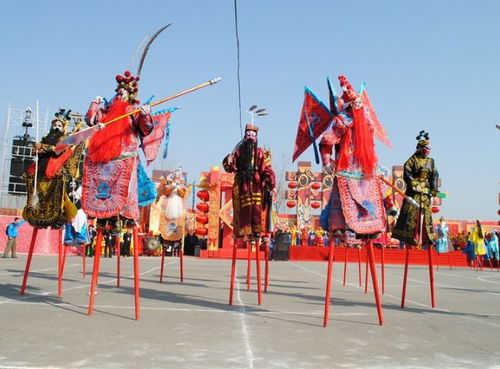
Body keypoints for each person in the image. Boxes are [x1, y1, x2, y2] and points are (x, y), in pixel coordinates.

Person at [319, 75, 394, 239]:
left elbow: (372, 141)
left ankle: (377, 222)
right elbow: (327, 140)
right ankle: (338, 226)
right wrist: (326, 160)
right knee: (341, 193)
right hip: (346, 167)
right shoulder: (342, 120)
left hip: (366, 166)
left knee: (378, 185)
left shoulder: (366, 120)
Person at [81, 70, 153, 231]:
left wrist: (145, 116)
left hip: (124, 156)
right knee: (100, 185)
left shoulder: (132, 111)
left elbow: (145, 128)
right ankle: (100, 216)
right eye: (119, 92)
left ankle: (122, 217)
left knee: (125, 188)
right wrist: (94, 104)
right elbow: (91, 120)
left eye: (124, 92)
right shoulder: (106, 111)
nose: (120, 94)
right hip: (101, 155)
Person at [222, 123, 276, 239]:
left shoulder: (260, 152)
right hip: (242, 183)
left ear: (256, 137)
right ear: (245, 136)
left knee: (256, 207)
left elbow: (267, 168)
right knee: (243, 208)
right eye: (248, 134)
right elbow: (229, 168)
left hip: (256, 183)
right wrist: (229, 160)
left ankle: (256, 231)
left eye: (253, 135)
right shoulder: (238, 152)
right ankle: (242, 231)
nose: (251, 137)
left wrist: (268, 180)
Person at [392, 131, 440, 248]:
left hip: (425, 194)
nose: (428, 150)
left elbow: (435, 176)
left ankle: (426, 239)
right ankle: (410, 239)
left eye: (429, 148)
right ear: (420, 148)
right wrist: (415, 184)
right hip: (414, 193)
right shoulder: (411, 160)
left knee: (426, 215)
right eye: (426, 148)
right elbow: (407, 174)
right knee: (411, 215)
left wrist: (433, 191)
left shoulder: (431, 162)